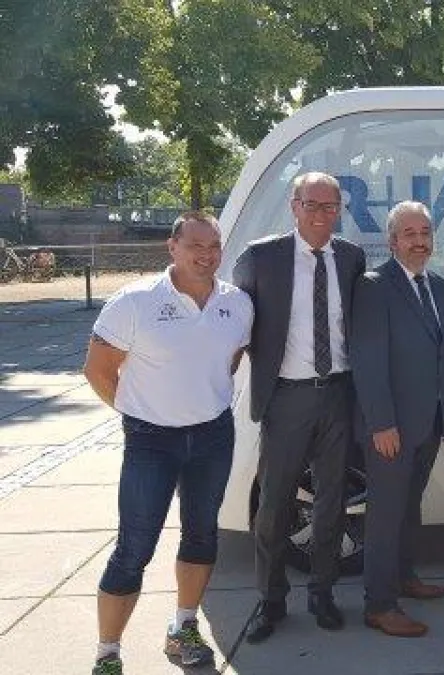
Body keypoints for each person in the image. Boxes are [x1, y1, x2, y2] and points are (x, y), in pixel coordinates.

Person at [84, 212, 253, 675]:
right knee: (134, 547)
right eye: (195, 245)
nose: (206, 255)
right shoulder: (134, 302)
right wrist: (141, 414)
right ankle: (107, 654)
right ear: (172, 247)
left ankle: (183, 628)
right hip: (151, 441)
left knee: (202, 534)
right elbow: (98, 370)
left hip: (213, 436)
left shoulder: (237, 304)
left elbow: (229, 360)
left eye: (214, 246)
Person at [232, 171, 367, 644]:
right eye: (312, 205)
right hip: (286, 397)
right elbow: (237, 322)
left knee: (332, 501)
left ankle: (322, 593)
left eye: (330, 206)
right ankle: (271, 601)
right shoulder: (260, 258)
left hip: (338, 394)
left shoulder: (350, 257)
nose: (321, 215)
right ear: (294, 206)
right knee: (274, 504)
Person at [351, 201, 444, 638]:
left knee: (409, 507)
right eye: (410, 234)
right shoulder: (374, 286)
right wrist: (381, 423)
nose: (419, 241)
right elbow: (368, 360)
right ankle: (379, 605)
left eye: (425, 233)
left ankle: (404, 577)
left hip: (430, 423)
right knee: (385, 514)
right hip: (391, 428)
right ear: (392, 241)